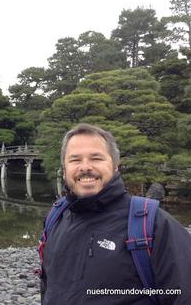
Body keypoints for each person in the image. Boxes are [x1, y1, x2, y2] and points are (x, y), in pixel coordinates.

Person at [39, 123, 191, 305]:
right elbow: (49, 286)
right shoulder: (56, 217)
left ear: (116, 166)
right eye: (75, 160)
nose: (85, 167)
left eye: (96, 158)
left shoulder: (152, 224)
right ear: (64, 169)